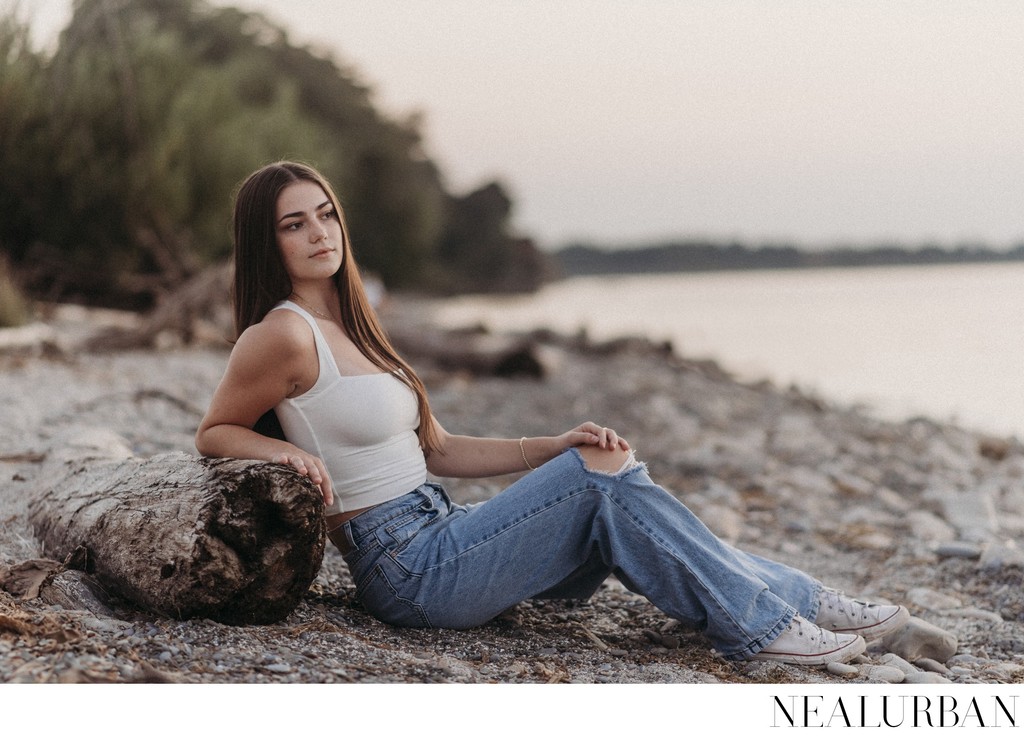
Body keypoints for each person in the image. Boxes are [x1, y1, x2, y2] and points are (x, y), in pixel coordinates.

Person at [195, 161, 909, 667]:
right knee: (603, 478)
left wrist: (551, 445)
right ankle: (767, 623)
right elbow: (214, 432)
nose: (321, 232)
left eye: (326, 214)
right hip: (408, 572)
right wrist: (283, 453)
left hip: (445, 531)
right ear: (269, 241)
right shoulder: (282, 334)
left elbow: (436, 450)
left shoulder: (358, 321)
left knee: (612, 483)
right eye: (296, 223)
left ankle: (801, 602)